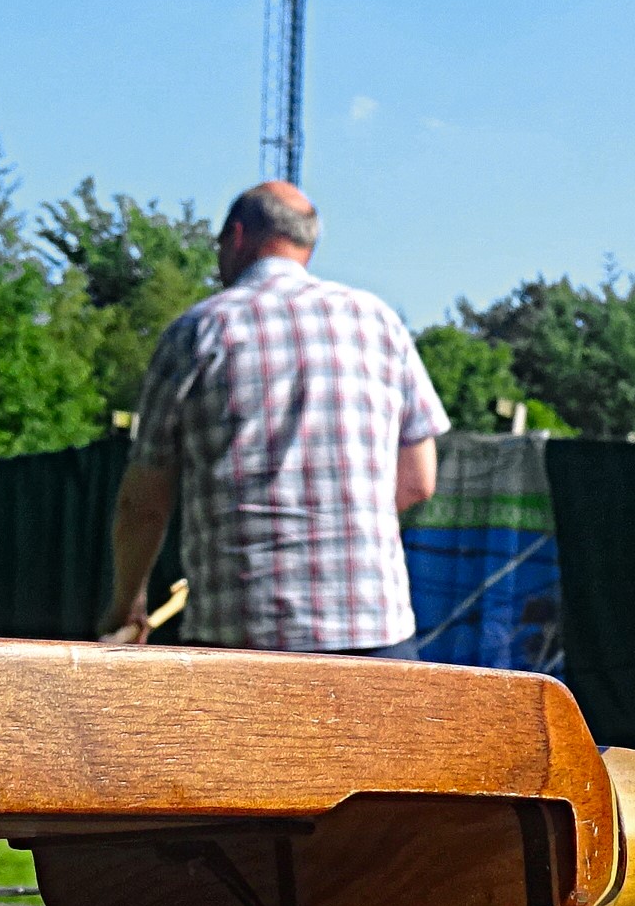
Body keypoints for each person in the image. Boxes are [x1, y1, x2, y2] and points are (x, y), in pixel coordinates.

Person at [102, 181, 448, 653]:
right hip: (375, 635)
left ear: (237, 237)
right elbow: (417, 482)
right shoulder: (379, 323)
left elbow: (142, 506)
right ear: (305, 245)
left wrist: (127, 608)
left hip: (240, 637)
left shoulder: (195, 333)